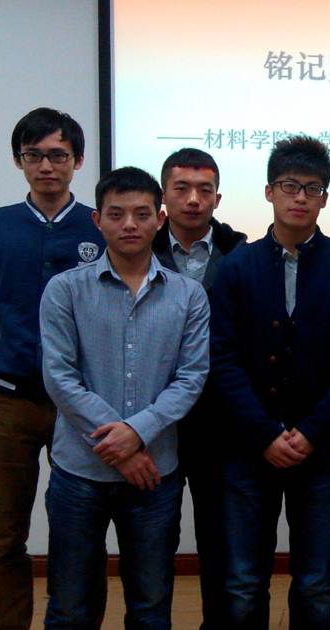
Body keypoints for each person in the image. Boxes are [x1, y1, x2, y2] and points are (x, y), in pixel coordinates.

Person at [208, 136, 330, 629]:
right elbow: (222, 358)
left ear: (325, 198)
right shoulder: (237, 266)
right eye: (289, 186)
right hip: (249, 448)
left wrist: (311, 432)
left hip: (321, 450)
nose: (300, 197)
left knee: (314, 582)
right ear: (269, 192)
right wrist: (264, 433)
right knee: (243, 583)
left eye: (312, 188)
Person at [0, 107, 103, 630]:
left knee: (78, 531)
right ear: (19, 161)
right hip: (7, 402)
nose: (46, 166)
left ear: (78, 160)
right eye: (33, 155)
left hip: (78, 406)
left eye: (58, 155)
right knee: (4, 536)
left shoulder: (100, 225)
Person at [40, 166, 210, 628]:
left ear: (159, 218)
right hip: (79, 472)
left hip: (155, 474)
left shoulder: (189, 295)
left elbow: (191, 377)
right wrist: (124, 448)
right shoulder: (64, 290)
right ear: (98, 220)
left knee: (151, 605)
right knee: (70, 605)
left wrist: (136, 433)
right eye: (116, 215)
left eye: (141, 214)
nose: (129, 225)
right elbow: (60, 377)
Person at [151, 147, 247, 629]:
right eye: (182, 188)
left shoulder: (241, 256)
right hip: (155, 421)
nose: (193, 199)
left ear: (217, 198)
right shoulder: (137, 251)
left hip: (220, 423)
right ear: (163, 195)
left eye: (204, 190)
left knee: (219, 540)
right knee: (154, 540)